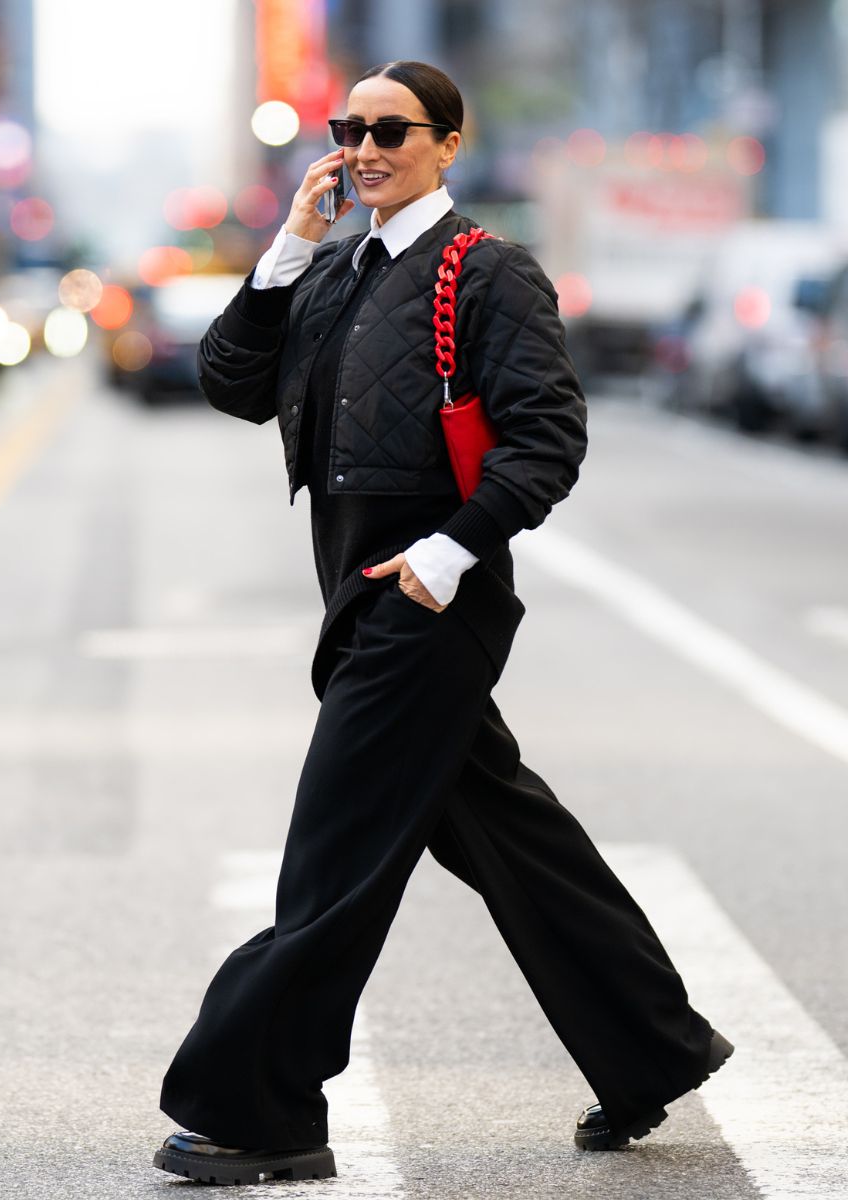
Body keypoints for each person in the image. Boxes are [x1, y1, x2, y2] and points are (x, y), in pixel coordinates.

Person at [152, 59, 733, 1188]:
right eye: (350, 129)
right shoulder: (329, 274)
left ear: (447, 145)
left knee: (333, 861)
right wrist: (285, 250)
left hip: (428, 609)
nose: (365, 149)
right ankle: (651, 1047)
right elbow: (231, 383)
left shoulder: (490, 274)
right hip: (358, 602)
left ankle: (265, 1107)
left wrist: (446, 555)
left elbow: (545, 441)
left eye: (392, 131)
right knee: (515, 839)